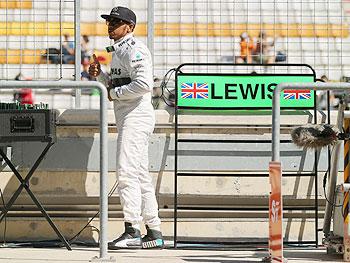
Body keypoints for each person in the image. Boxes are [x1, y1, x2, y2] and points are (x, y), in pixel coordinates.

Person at [88, 6, 164, 249]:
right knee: (140, 174)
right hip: (129, 116)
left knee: (126, 172)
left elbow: (143, 85)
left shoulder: (135, 49)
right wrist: (100, 77)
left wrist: (113, 92)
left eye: (116, 22)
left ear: (129, 27)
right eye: (109, 21)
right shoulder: (119, 50)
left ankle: (132, 229)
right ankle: (154, 231)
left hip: (137, 116)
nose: (110, 25)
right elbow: (117, 84)